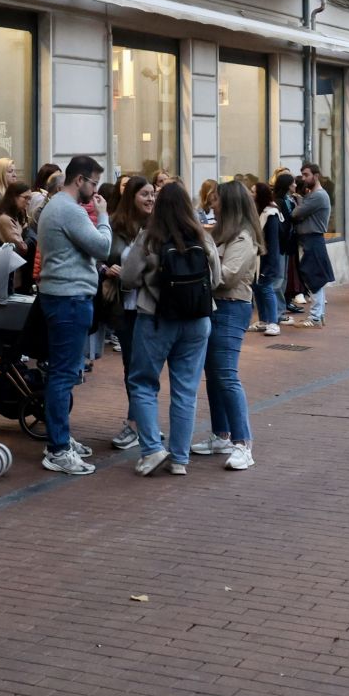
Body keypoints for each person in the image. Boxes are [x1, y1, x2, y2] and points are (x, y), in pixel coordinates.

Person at [119, 181, 219, 477]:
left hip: (156, 319)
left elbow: (128, 277)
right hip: (198, 321)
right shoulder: (202, 236)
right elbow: (216, 280)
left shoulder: (149, 238)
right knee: (186, 390)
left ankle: (151, 449)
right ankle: (179, 458)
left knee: (142, 383)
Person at [34, 154, 112, 475]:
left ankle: (61, 438)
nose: (95, 192)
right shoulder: (69, 209)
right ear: (79, 180)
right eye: (93, 183)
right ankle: (57, 448)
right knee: (63, 375)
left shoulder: (56, 207)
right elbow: (102, 246)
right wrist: (104, 216)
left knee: (63, 373)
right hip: (69, 298)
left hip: (62, 296)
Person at [195, 180, 260, 470]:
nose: (212, 204)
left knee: (226, 374)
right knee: (215, 373)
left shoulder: (243, 238)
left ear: (230, 203)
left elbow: (227, 276)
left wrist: (206, 260)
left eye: (217, 200)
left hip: (232, 308)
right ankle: (221, 434)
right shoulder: (224, 234)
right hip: (217, 308)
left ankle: (243, 443)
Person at [106, 176, 158, 449]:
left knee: (144, 367)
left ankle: (139, 424)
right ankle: (141, 423)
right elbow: (100, 255)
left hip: (150, 306)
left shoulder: (159, 227)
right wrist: (108, 269)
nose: (150, 199)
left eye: (153, 194)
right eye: (145, 194)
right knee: (131, 366)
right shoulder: (115, 224)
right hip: (124, 306)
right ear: (131, 197)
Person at [291, 163, 335, 325]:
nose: (303, 178)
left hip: (313, 239)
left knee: (313, 277)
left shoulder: (318, 196)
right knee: (314, 277)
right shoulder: (313, 195)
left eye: (306, 175)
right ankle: (318, 315)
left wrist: (298, 202)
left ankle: (315, 316)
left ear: (316, 176)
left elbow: (296, 213)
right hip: (311, 239)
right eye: (302, 175)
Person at [253, 182, 287, 335]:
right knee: (258, 288)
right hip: (259, 257)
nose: (250, 194)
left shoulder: (270, 214)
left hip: (267, 259)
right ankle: (263, 320)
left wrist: (270, 265)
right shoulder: (260, 211)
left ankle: (273, 322)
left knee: (266, 288)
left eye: (253, 191)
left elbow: (273, 242)